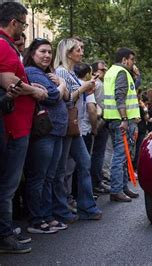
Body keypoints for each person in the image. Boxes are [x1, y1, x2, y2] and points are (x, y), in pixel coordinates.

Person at [0, 1, 48, 254]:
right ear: (14, 23)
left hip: (17, 126)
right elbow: (9, 81)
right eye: (24, 23)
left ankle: (6, 230)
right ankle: (5, 236)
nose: (24, 30)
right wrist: (35, 90)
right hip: (13, 127)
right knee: (7, 185)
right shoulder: (3, 45)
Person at [23, 38, 69, 234]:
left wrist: (61, 88)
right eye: (42, 51)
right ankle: (36, 220)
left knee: (49, 177)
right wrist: (62, 85)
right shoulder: (32, 72)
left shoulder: (47, 73)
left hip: (57, 131)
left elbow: (66, 97)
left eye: (50, 52)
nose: (47, 55)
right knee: (39, 177)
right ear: (32, 53)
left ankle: (47, 215)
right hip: (44, 132)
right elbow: (52, 96)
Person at [54, 38, 102, 222]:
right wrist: (84, 88)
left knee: (83, 163)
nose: (82, 52)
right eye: (78, 49)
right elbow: (67, 99)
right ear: (68, 53)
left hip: (74, 127)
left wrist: (87, 88)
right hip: (66, 126)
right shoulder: (61, 72)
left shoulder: (71, 73)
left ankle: (86, 206)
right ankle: (62, 209)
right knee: (61, 170)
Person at [103, 47, 140, 202]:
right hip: (121, 121)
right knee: (120, 156)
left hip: (113, 119)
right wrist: (125, 119)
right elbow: (120, 97)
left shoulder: (111, 71)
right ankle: (117, 190)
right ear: (125, 59)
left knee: (123, 155)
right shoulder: (122, 73)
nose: (133, 63)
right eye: (132, 60)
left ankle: (123, 187)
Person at [90, 60, 110, 194]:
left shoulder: (99, 83)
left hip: (99, 121)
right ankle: (96, 183)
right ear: (95, 71)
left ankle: (97, 181)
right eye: (102, 70)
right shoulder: (97, 84)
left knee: (98, 153)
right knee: (97, 154)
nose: (104, 72)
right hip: (98, 121)